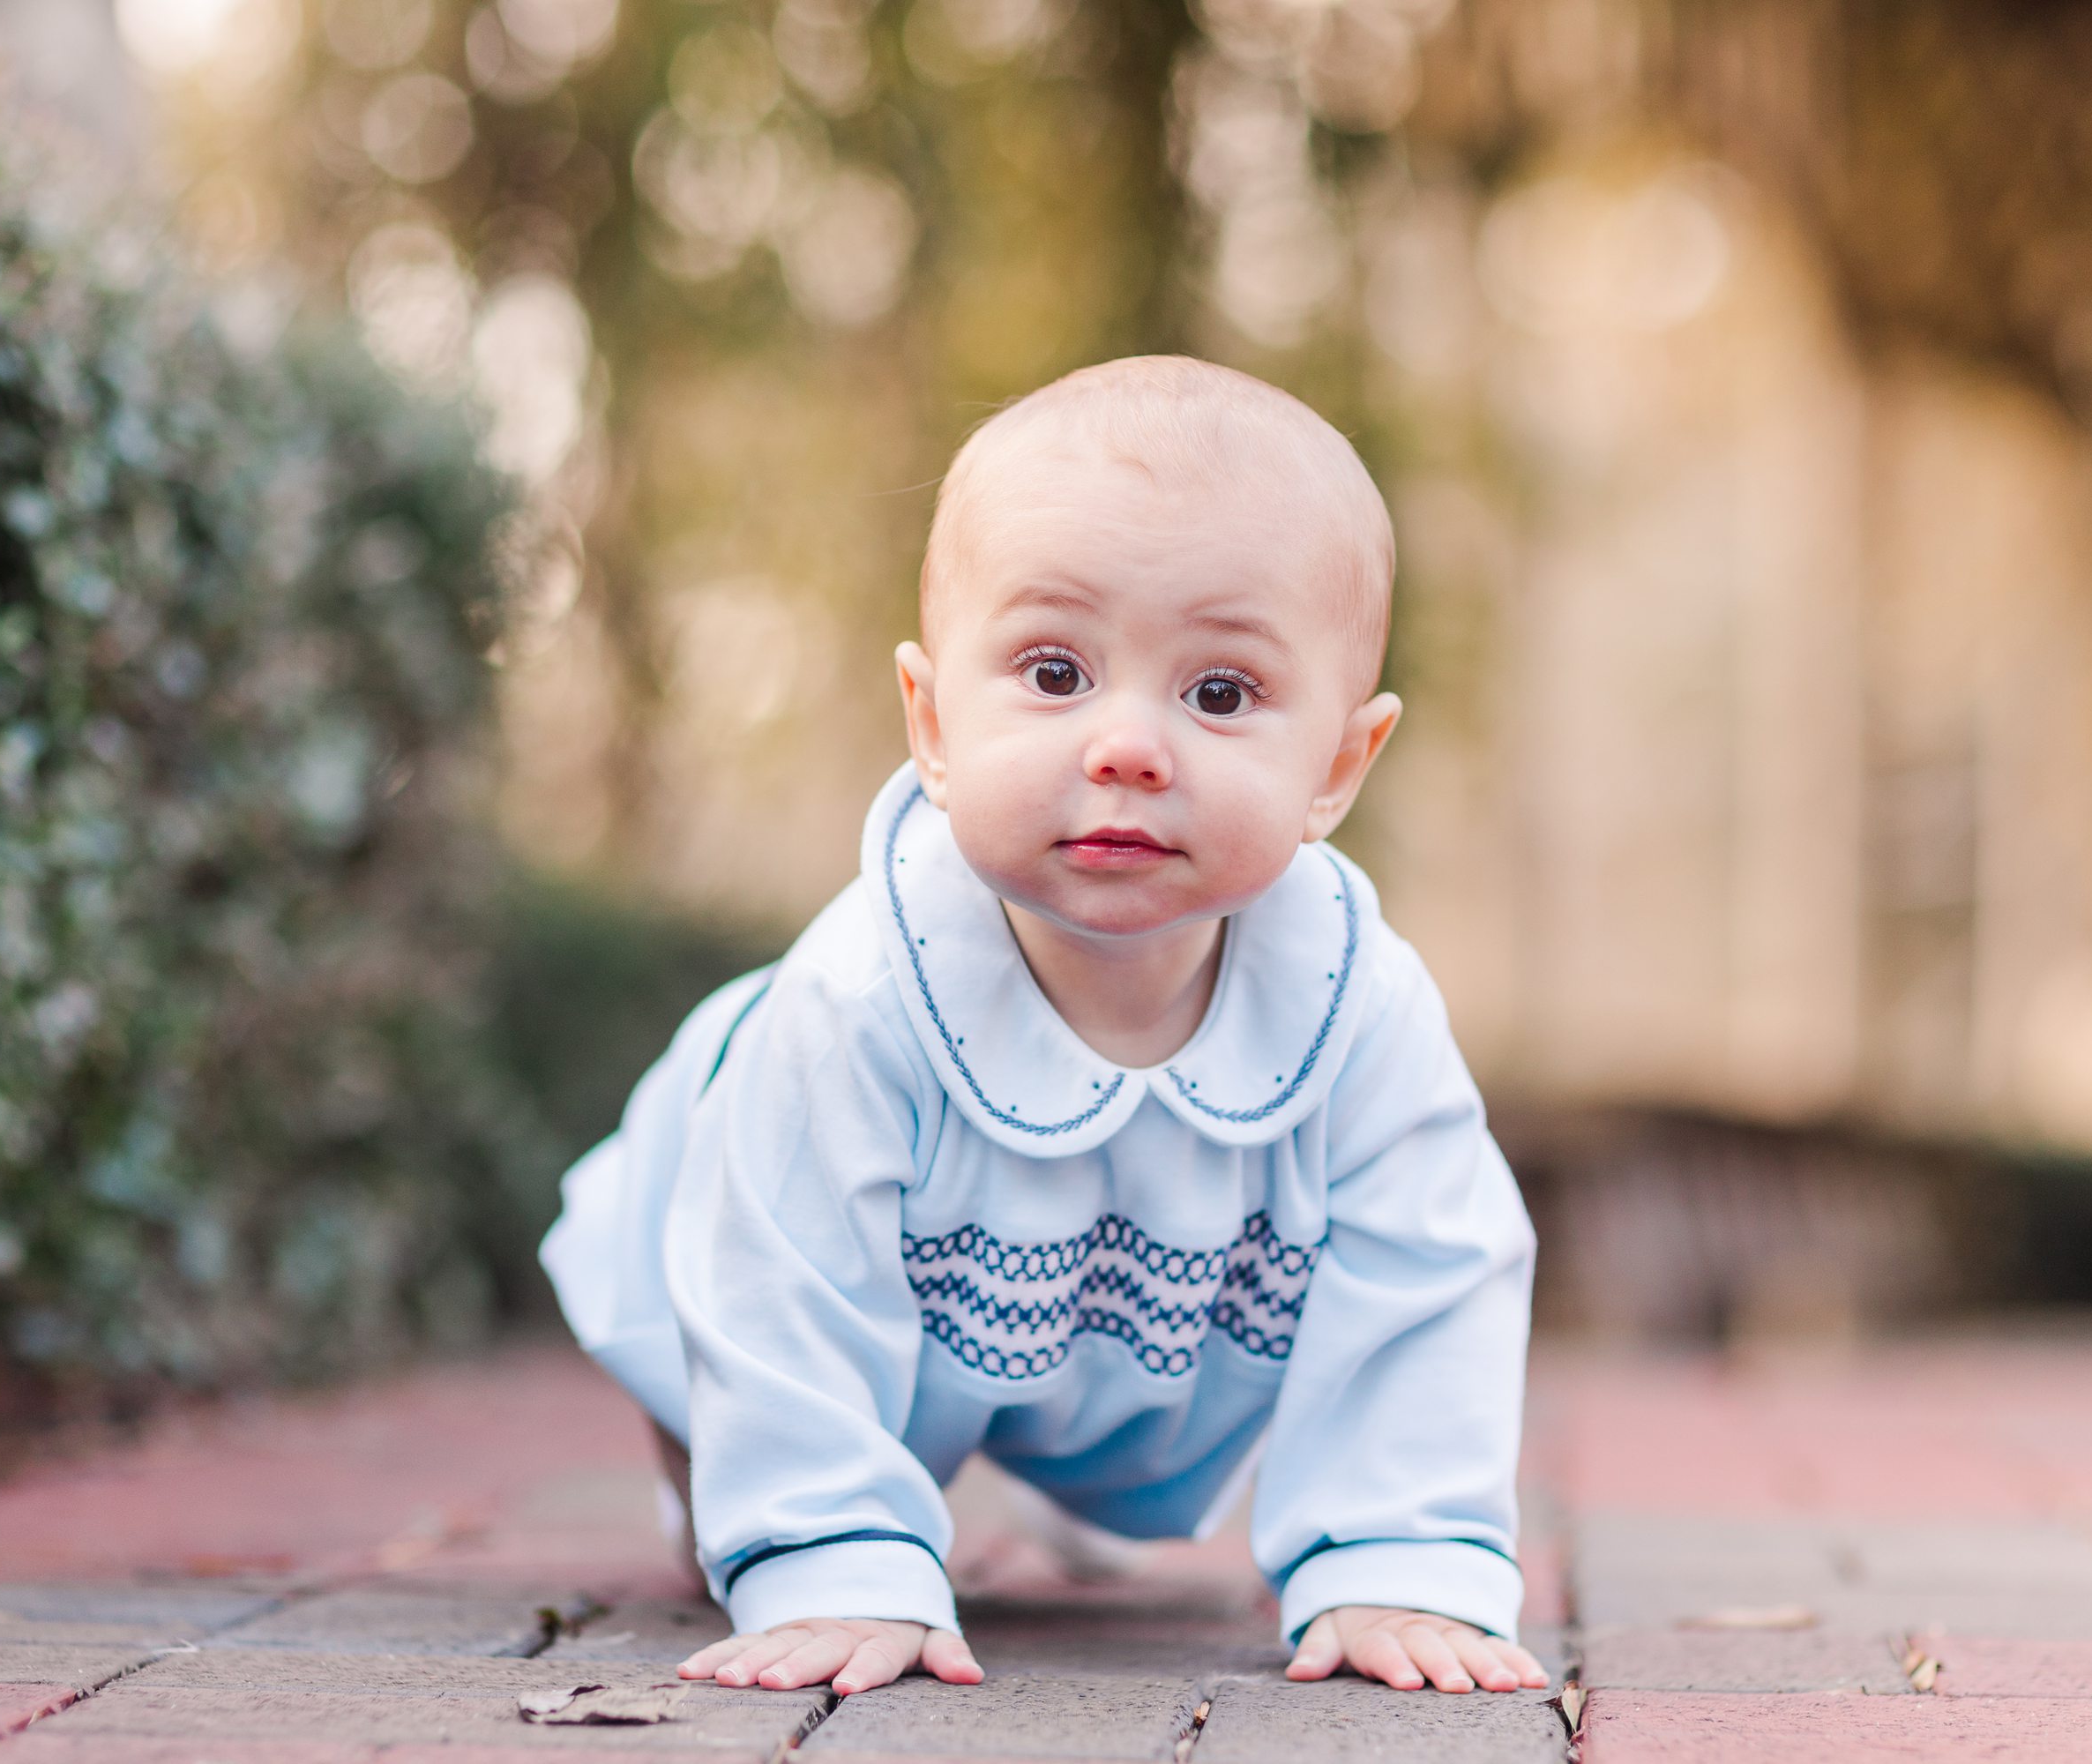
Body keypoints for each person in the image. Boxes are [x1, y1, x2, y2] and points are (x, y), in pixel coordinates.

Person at [539, 355, 1544, 1701]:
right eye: (1057, 670)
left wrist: (1400, 1553)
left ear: (1339, 768)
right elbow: (779, 1281)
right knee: (718, 1376)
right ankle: (770, 1495)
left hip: (1123, 1314)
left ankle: (1086, 1474)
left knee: (1151, 1391)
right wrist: (830, 1557)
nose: (1128, 744)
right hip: (753, 1220)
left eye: (1222, 693)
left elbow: (1433, 1271)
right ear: (935, 722)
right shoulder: (852, 1007)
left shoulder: (1356, 1009)